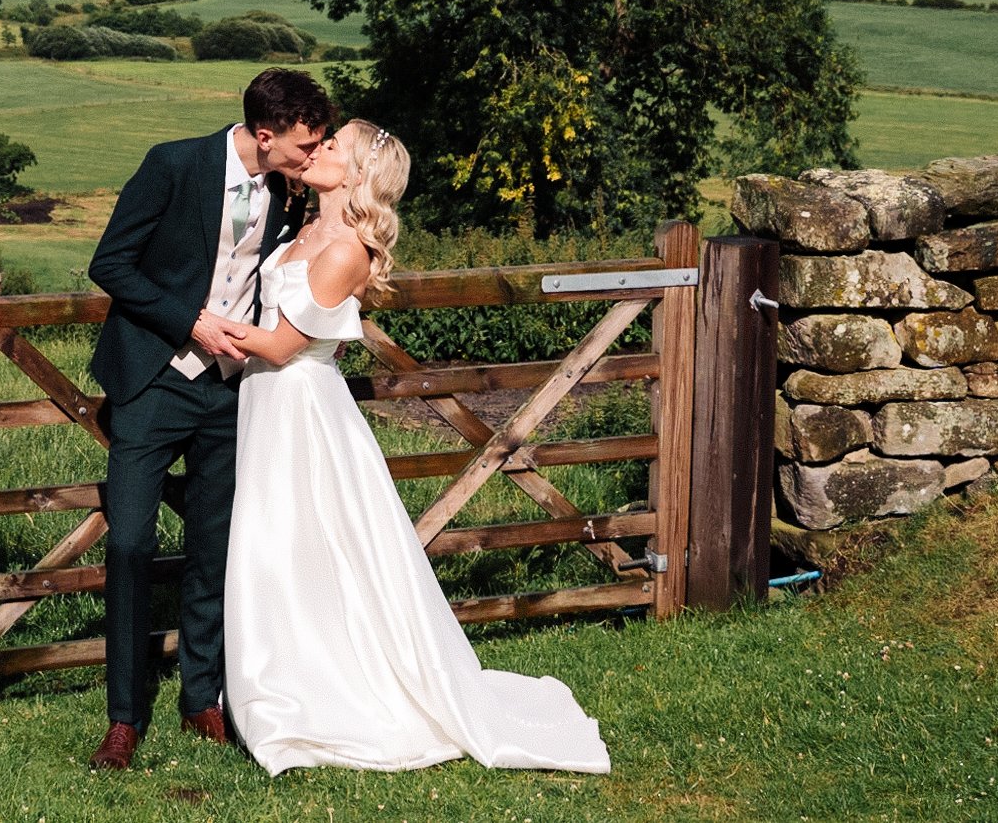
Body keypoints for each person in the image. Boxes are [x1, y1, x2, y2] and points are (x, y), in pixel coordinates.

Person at [220, 118, 611, 775]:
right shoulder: (306, 227)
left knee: (291, 537)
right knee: (280, 541)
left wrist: (197, 322)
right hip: (270, 402)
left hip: (300, 407)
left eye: (332, 145)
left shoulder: (344, 249)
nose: (317, 150)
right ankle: (285, 674)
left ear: (357, 174)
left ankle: (309, 693)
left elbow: (284, 343)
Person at [83, 67, 335, 772]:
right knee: (130, 543)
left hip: (232, 392)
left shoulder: (293, 189)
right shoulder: (173, 164)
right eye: (305, 144)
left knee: (215, 549)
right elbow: (111, 263)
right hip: (154, 382)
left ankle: (202, 695)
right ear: (265, 135)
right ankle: (124, 717)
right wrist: (190, 320)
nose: (312, 155)